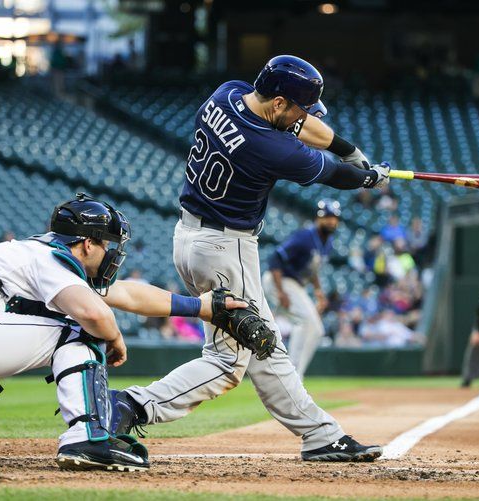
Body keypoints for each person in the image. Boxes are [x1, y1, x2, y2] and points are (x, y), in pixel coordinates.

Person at [111, 55, 388, 462]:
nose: (302, 117)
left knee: (264, 345)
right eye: (297, 108)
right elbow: (333, 173)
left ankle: (321, 435)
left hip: (189, 237)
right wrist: (368, 175)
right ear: (278, 102)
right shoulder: (271, 147)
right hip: (227, 252)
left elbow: (302, 126)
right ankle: (132, 405)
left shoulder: (227, 94)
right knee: (228, 362)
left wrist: (350, 150)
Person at [0, 194, 246, 472]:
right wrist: (113, 337)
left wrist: (200, 307)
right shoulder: (51, 260)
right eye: (109, 244)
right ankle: (87, 436)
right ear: (88, 242)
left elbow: (125, 293)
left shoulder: (34, 254)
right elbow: (96, 313)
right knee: (80, 331)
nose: (114, 253)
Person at [261, 200, 341, 378]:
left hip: (295, 284)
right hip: (280, 280)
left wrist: (319, 291)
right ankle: (292, 377)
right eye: (327, 217)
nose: (331, 221)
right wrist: (280, 291)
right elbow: (276, 259)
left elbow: (312, 271)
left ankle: (296, 375)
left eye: (334, 217)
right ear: (317, 218)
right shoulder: (305, 236)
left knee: (317, 330)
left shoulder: (327, 243)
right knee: (305, 322)